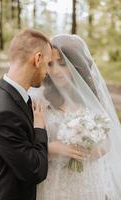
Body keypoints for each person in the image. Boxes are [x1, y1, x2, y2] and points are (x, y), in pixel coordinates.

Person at [29, 34, 121, 200]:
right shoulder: (39, 100)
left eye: (62, 63)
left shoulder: (91, 98)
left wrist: (92, 147)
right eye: (50, 64)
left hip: (87, 179)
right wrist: (52, 149)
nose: (56, 71)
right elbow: (28, 148)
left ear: (76, 65)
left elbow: (107, 142)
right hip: (54, 182)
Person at [0, 29, 52, 200]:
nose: (48, 72)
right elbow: (35, 171)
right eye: (48, 63)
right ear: (37, 59)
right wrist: (39, 128)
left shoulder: (4, 92)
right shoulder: (5, 112)